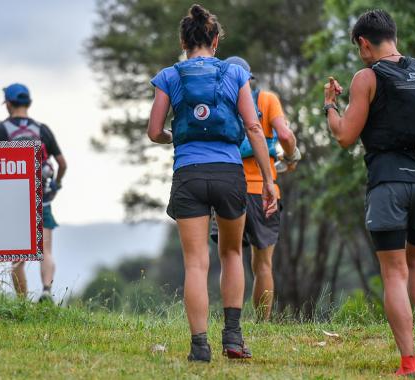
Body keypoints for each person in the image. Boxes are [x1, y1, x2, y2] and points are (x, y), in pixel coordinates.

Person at [323, 9, 415, 376]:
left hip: (388, 183)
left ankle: (409, 362)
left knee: (395, 272)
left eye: (359, 47)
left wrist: (330, 105)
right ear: (392, 35)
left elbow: (345, 136)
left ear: (365, 43)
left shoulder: (366, 78)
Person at [147, 4, 277, 362]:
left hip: (188, 174)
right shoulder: (235, 74)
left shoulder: (169, 76)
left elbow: (154, 131)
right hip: (229, 174)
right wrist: (267, 179)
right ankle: (233, 338)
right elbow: (253, 127)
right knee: (233, 253)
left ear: (182, 41)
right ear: (215, 40)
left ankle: (199, 347)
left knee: (195, 264)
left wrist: (175, 135)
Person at [211, 56, 300, 321]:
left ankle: (232, 321)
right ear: (249, 79)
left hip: (228, 187)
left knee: (230, 257)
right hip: (264, 190)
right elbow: (284, 135)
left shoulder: (219, 102)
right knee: (263, 264)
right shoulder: (267, 100)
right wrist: (291, 156)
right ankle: (262, 323)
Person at [0, 83, 67, 303]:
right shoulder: (42, 130)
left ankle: (22, 302)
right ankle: (46, 291)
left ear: (8, 104)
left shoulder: (0, 131)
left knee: (17, 255)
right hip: (43, 198)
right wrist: (56, 185)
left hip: (14, 199)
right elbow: (62, 163)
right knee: (46, 249)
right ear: (28, 103)